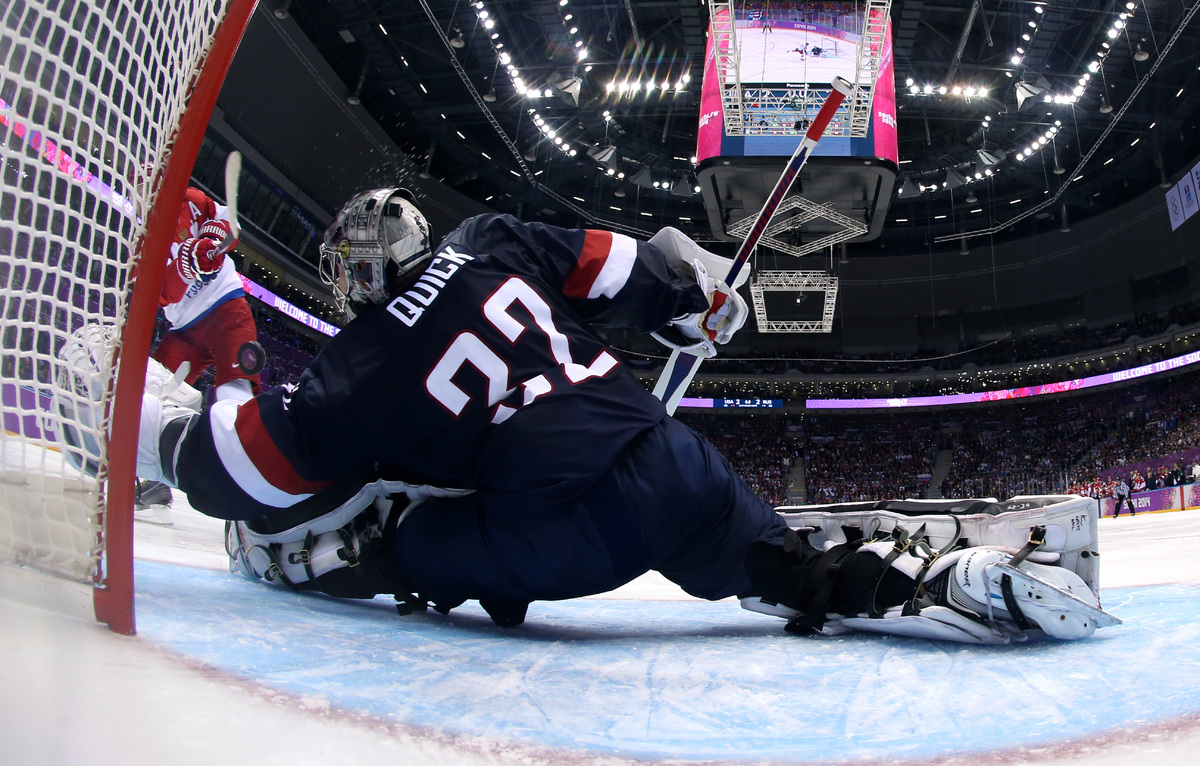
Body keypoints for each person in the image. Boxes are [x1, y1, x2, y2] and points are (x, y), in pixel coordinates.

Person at [132, 187, 1114, 644]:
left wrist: (170, 420)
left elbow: (251, 471)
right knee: (778, 570)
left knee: (407, 532)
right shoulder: (488, 241)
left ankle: (376, 565)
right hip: (668, 452)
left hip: (559, 527)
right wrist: (696, 304)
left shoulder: (354, 369)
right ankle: (951, 584)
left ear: (354, 277)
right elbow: (635, 266)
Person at [136, 182, 264, 513]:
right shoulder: (141, 236)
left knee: (238, 400)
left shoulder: (190, 199)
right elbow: (160, 294)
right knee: (153, 394)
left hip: (227, 311)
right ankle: (153, 483)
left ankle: (247, 492)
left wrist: (211, 237)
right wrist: (188, 263)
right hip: (185, 332)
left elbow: (228, 223)